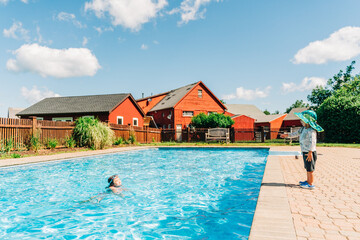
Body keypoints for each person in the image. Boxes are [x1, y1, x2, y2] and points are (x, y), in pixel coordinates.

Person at [280, 110, 324, 189]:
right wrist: (286, 135)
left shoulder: (311, 131)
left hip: (309, 152)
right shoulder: (303, 129)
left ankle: (310, 184)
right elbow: (295, 134)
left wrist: (310, 152)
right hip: (305, 151)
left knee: (310, 169)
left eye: (302, 119)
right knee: (307, 167)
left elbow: (313, 142)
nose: (301, 121)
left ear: (308, 120)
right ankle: (307, 181)